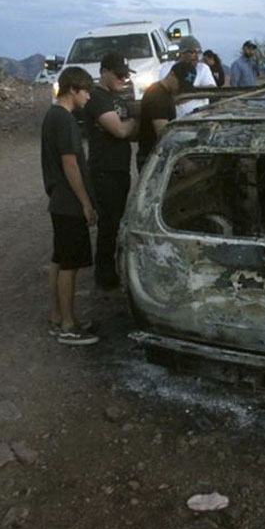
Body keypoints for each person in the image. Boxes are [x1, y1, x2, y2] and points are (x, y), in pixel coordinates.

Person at [41, 66, 99, 345]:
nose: (88, 97)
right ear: (73, 90)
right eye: (85, 91)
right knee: (70, 265)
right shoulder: (64, 120)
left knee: (59, 259)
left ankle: (57, 316)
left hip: (59, 201)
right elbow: (70, 164)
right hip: (69, 203)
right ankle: (67, 324)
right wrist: (86, 203)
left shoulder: (53, 116)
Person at [85, 52, 138, 291]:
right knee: (109, 225)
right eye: (118, 75)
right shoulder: (98, 98)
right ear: (104, 72)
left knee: (115, 222)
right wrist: (133, 121)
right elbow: (120, 130)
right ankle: (105, 275)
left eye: (126, 75)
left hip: (118, 169)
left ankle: (110, 271)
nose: (123, 79)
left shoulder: (114, 97)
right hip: (105, 170)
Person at [137, 61, 196, 172]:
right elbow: (163, 134)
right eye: (180, 84)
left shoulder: (163, 94)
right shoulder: (157, 96)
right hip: (153, 160)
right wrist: (183, 161)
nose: (180, 89)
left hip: (157, 158)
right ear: (171, 74)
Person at [159, 35, 216, 118]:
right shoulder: (168, 68)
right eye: (192, 52)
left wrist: (184, 95)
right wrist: (197, 92)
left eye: (199, 52)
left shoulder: (203, 68)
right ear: (182, 53)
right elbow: (167, 94)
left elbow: (211, 90)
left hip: (199, 117)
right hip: (175, 119)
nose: (197, 57)